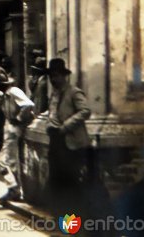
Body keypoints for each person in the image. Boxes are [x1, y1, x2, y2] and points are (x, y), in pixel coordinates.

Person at [46, 58, 91, 201]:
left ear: (64, 76)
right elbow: (52, 113)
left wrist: (65, 126)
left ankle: (73, 221)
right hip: (56, 141)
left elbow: (85, 111)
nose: (53, 79)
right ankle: (62, 218)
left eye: (56, 76)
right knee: (57, 180)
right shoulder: (54, 94)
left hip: (71, 144)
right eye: (51, 76)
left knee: (71, 182)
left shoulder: (74, 92)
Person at [0, 73, 35, 202]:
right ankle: (15, 190)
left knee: (3, 161)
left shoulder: (14, 91)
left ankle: (13, 187)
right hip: (10, 129)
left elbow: (28, 105)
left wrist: (18, 118)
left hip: (16, 128)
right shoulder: (5, 95)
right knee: (12, 162)